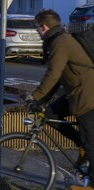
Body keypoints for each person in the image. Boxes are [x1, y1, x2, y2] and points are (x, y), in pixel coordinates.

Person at [25, 10, 94, 190]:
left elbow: (53, 74)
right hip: (77, 92)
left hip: (88, 95)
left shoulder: (60, 42)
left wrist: (36, 96)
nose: (37, 32)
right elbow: (58, 77)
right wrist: (41, 102)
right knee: (49, 113)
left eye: (37, 28)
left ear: (44, 27)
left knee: (91, 141)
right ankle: (82, 146)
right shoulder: (57, 41)